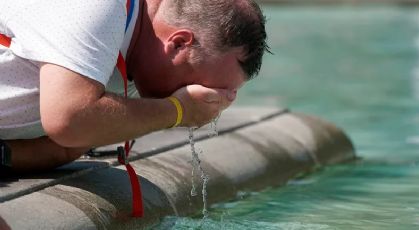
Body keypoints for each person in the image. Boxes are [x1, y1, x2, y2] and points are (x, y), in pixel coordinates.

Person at [0, 0, 268, 172]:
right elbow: (70, 120)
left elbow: (66, 146)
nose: (202, 99)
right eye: (199, 86)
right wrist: (178, 110)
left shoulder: (135, 56)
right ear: (177, 43)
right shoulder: (97, 8)